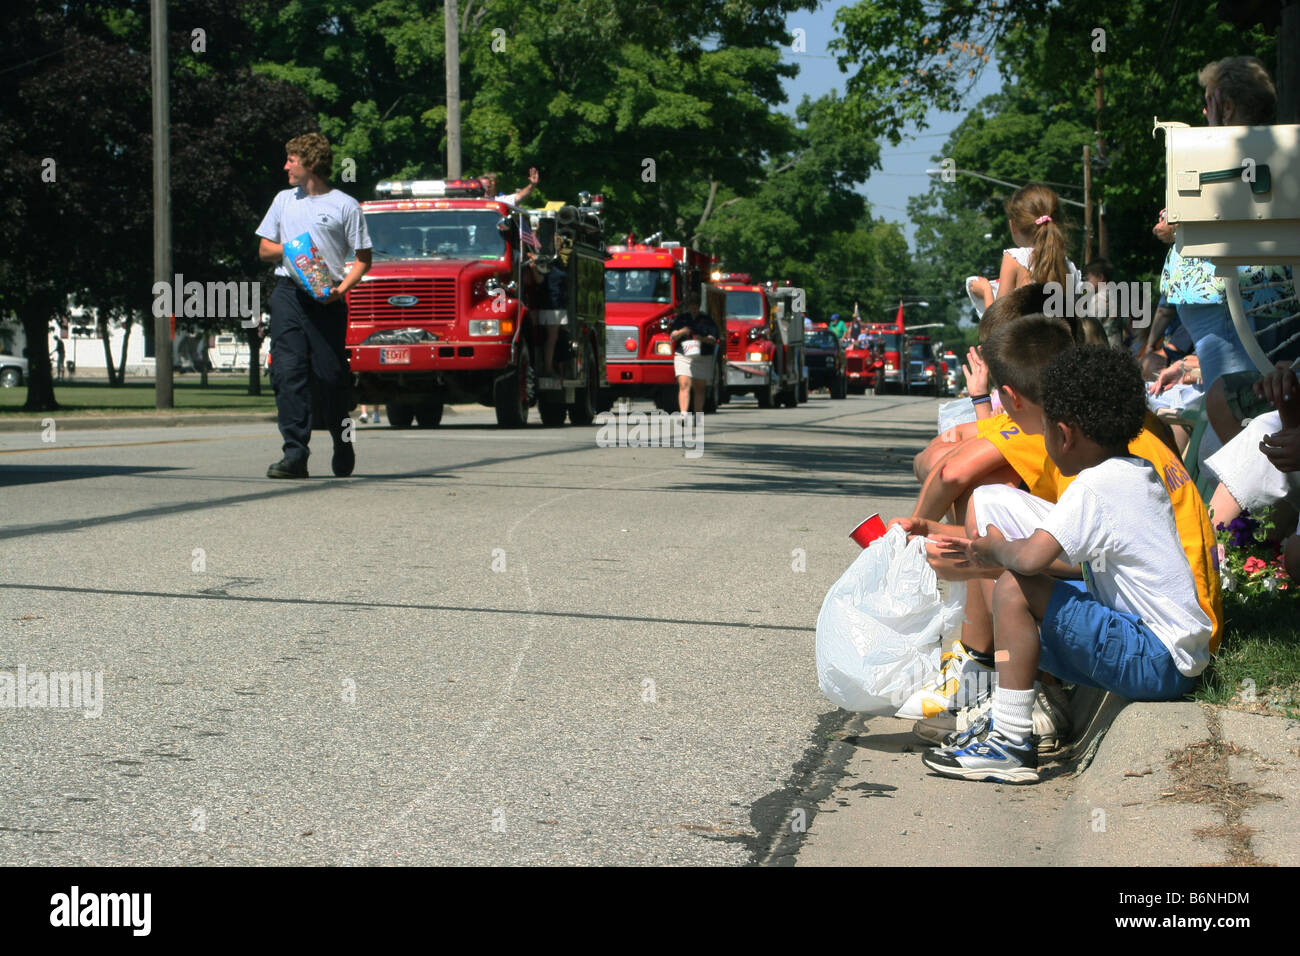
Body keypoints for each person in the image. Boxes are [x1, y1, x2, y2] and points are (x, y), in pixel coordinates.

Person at [919, 346, 1214, 782]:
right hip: (1168, 656)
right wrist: (974, 555)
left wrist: (996, 550)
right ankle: (1009, 718)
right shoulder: (1134, 471)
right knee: (1018, 587)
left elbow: (1032, 558)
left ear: (1063, 434)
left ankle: (1011, 739)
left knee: (1015, 587)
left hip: (1154, 659)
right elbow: (1075, 568)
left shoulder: (1095, 486)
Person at [256, 132, 372, 478]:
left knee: (332, 378)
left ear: (310, 163)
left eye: (291, 159)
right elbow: (264, 249)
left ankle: (343, 441)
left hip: (327, 297)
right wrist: (293, 248)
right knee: (288, 374)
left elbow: (364, 259)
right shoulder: (282, 200)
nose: (285, 166)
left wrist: (342, 289)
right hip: (288, 294)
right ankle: (295, 454)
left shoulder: (345, 205)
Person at [968, 184, 1079, 310]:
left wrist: (986, 292)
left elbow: (996, 324)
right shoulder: (1068, 267)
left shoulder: (1014, 259)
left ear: (1013, 225)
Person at [669, 289, 719, 414]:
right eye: (691, 306)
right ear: (688, 306)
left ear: (699, 305)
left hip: (702, 356)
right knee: (684, 384)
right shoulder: (681, 319)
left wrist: (702, 339)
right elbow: (673, 336)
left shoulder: (707, 320)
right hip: (683, 355)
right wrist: (682, 331)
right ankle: (684, 414)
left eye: (696, 306)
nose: (693, 309)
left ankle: (698, 414)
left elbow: (714, 339)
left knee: (699, 388)